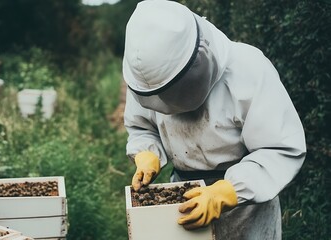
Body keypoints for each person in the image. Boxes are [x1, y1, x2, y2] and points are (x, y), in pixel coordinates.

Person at [122, 0, 306, 239]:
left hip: (245, 207)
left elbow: (280, 149)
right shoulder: (147, 77)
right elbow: (142, 127)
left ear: (198, 59)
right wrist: (147, 154)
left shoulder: (249, 68)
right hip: (183, 197)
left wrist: (227, 192)